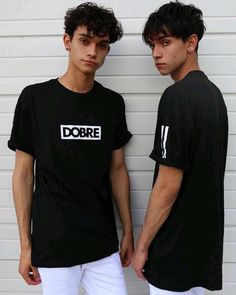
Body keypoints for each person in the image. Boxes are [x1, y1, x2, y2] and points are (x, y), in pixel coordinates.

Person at [8, 2, 133, 294]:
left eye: (101, 45)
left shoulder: (112, 104)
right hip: (54, 246)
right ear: (67, 41)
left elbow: (117, 170)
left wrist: (128, 230)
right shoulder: (35, 99)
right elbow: (24, 175)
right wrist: (26, 245)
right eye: (85, 41)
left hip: (101, 245)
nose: (92, 52)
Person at [131, 2, 228, 295]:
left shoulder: (177, 97)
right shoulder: (214, 96)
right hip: (200, 252)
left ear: (191, 42)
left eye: (165, 42)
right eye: (152, 45)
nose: (156, 54)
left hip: (173, 253)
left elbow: (167, 186)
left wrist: (143, 247)